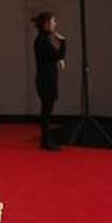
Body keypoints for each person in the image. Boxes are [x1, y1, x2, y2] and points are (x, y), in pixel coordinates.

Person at [33, 11, 66, 151]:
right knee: (46, 110)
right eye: (53, 22)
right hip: (46, 80)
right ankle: (45, 141)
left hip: (46, 78)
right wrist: (63, 42)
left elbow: (54, 57)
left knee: (47, 109)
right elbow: (58, 55)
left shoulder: (43, 40)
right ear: (46, 24)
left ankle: (46, 140)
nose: (54, 24)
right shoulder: (42, 40)